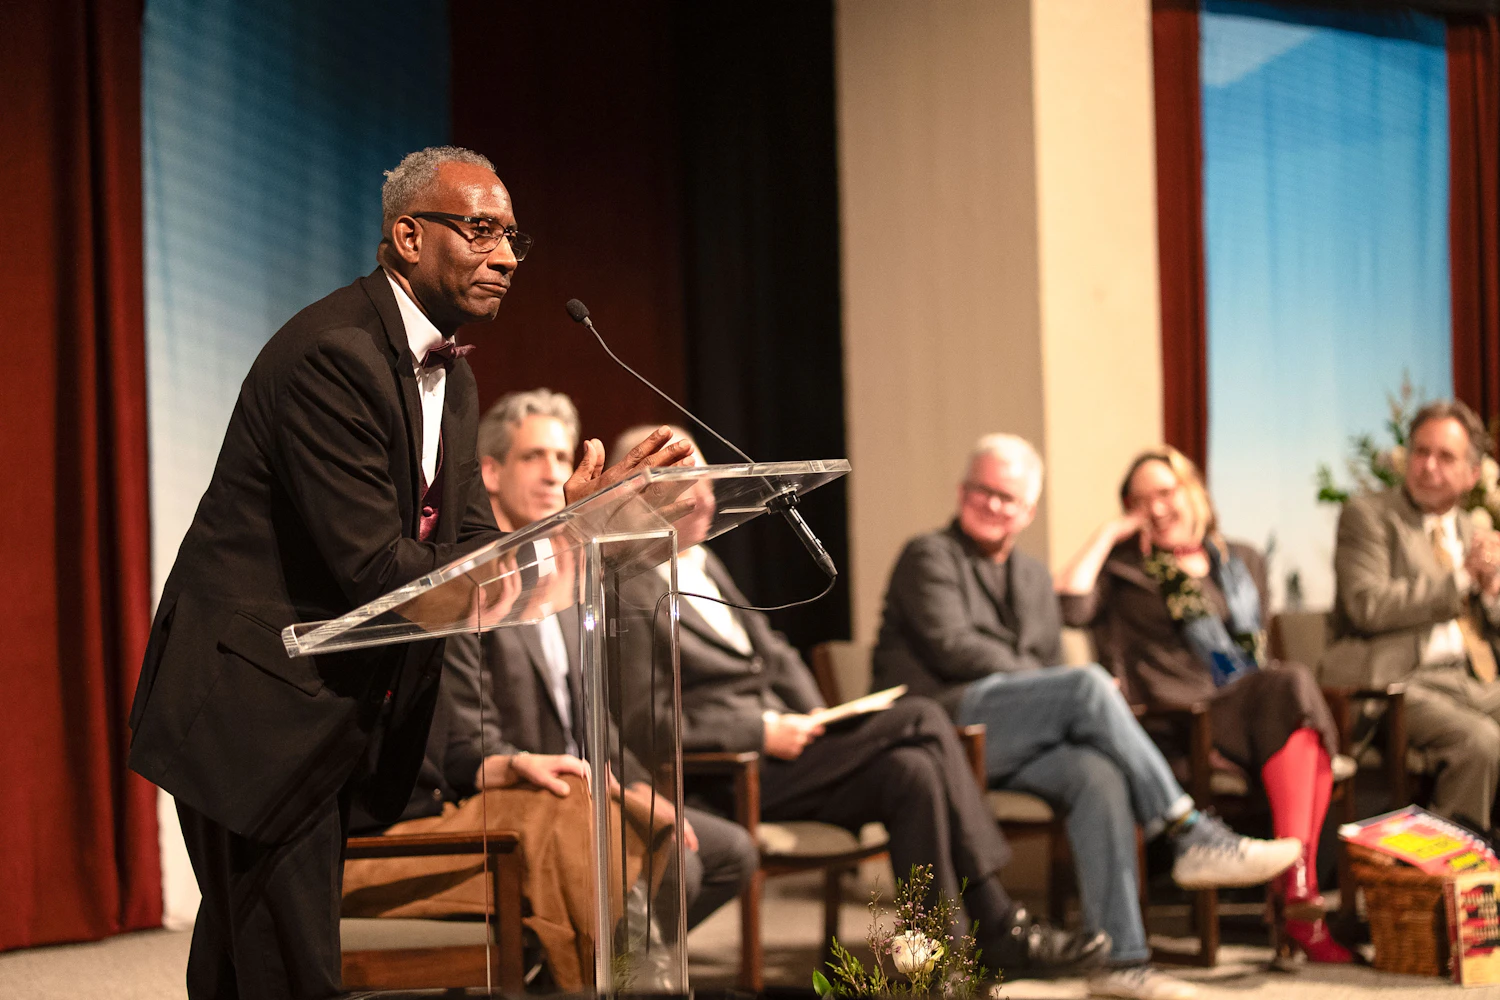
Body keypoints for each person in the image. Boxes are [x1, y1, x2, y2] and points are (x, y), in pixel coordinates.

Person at [127, 147, 690, 1000]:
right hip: (253, 711)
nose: (505, 256)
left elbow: (469, 547)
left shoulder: (452, 380)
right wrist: (554, 539)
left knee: (246, 964)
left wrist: (569, 525)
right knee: (291, 971)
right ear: (408, 235)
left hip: (330, 720)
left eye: (512, 237)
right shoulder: (332, 355)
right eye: (480, 231)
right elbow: (378, 571)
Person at [612, 426, 1114, 980]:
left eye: (706, 479)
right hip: (731, 773)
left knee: (913, 769)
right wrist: (760, 729)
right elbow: (644, 723)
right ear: (640, 489)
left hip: (791, 753)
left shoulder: (702, 561)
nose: (706, 494)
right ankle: (999, 923)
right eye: (688, 481)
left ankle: (941, 966)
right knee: (923, 715)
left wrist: (818, 719)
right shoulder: (629, 589)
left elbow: (775, 657)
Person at [340, 390, 757, 991]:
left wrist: (636, 787)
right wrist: (542, 772)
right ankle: (592, 975)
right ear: (491, 472)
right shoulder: (473, 585)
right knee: (667, 870)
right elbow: (461, 744)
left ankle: (564, 977)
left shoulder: (570, 581)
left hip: (586, 788)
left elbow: (598, 723)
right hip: (519, 795)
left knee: (726, 852)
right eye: (535, 455)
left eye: (563, 456)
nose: (554, 472)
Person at [874, 433, 1301, 1000]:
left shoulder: (1029, 575)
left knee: (1097, 776)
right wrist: (1047, 686)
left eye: (1009, 497)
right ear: (961, 491)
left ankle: (1120, 962)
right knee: (1085, 684)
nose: (994, 505)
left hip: (1011, 737)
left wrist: (1046, 686)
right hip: (940, 729)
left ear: (1028, 510)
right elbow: (957, 650)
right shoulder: (927, 554)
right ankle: (1187, 829)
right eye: (983, 491)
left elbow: (1047, 663)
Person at [1058, 445, 1351, 964]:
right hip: (1181, 724)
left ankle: (1296, 891)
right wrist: (1108, 534)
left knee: (1291, 700)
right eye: (1139, 500)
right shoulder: (1126, 570)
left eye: (1165, 492)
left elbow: (1254, 651)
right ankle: (1299, 898)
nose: (1156, 507)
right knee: (1292, 693)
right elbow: (1070, 603)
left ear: (1192, 490)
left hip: (1248, 708)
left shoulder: (1242, 561)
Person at [1323, 400, 1500, 829]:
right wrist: (1461, 579)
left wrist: (1492, 591)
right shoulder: (1369, 516)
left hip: (1475, 679)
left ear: (1472, 474)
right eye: (1420, 452)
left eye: (1445, 457)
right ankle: (1444, 881)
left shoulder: (1469, 529)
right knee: (1480, 743)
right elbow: (1367, 604)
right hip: (1403, 682)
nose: (1428, 466)